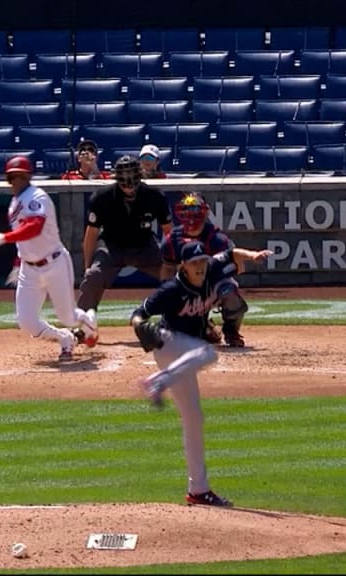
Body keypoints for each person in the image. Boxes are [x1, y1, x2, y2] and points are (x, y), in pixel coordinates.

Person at [130, 240, 236, 508]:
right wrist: (141, 327)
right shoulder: (172, 289)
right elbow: (138, 313)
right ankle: (158, 381)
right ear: (183, 266)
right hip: (168, 344)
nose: (199, 267)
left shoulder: (213, 270)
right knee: (208, 353)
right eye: (194, 263)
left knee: (194, 418)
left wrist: (255, 255)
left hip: (184, 353)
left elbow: (234, 254)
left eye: (202, 262)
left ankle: (198, 490)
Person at [0, 155, 97, 362]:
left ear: (28, 176)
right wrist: (17, 262)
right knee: (27, 322)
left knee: (67, 317)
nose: (16, 181)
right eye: (12, 177)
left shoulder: (37, 197)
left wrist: (2, 238)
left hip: (55, 263)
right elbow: (23, 241)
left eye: (20, 177)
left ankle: (90, 322)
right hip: (29, 269)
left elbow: (34, 228)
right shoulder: (14, 204)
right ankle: (65, 338)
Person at [74, 154, 172, 347]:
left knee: (175, 275)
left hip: (145, 247)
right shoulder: (101, 198)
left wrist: (173, 261)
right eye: (125, 182)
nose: (129, 187)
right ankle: (83, 327)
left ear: (139, 177)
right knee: (93, 275)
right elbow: (91, 234)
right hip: (112, 247)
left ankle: (182, 321)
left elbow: (169, 233)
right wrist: (87, 265)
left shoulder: (155, 196)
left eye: (133, 182)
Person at [159, 192, 272, 347]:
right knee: (176, 337)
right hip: (186, 289)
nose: (191, 217)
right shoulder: (172, 240)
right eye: (187, 211)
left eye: (195, 211)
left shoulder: (217, 238)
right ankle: (204, 326)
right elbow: (167, 268)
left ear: (204, 213)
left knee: (229, 292)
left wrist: (251, 256)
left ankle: (231, 332)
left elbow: (238, 266)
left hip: (213, 285)